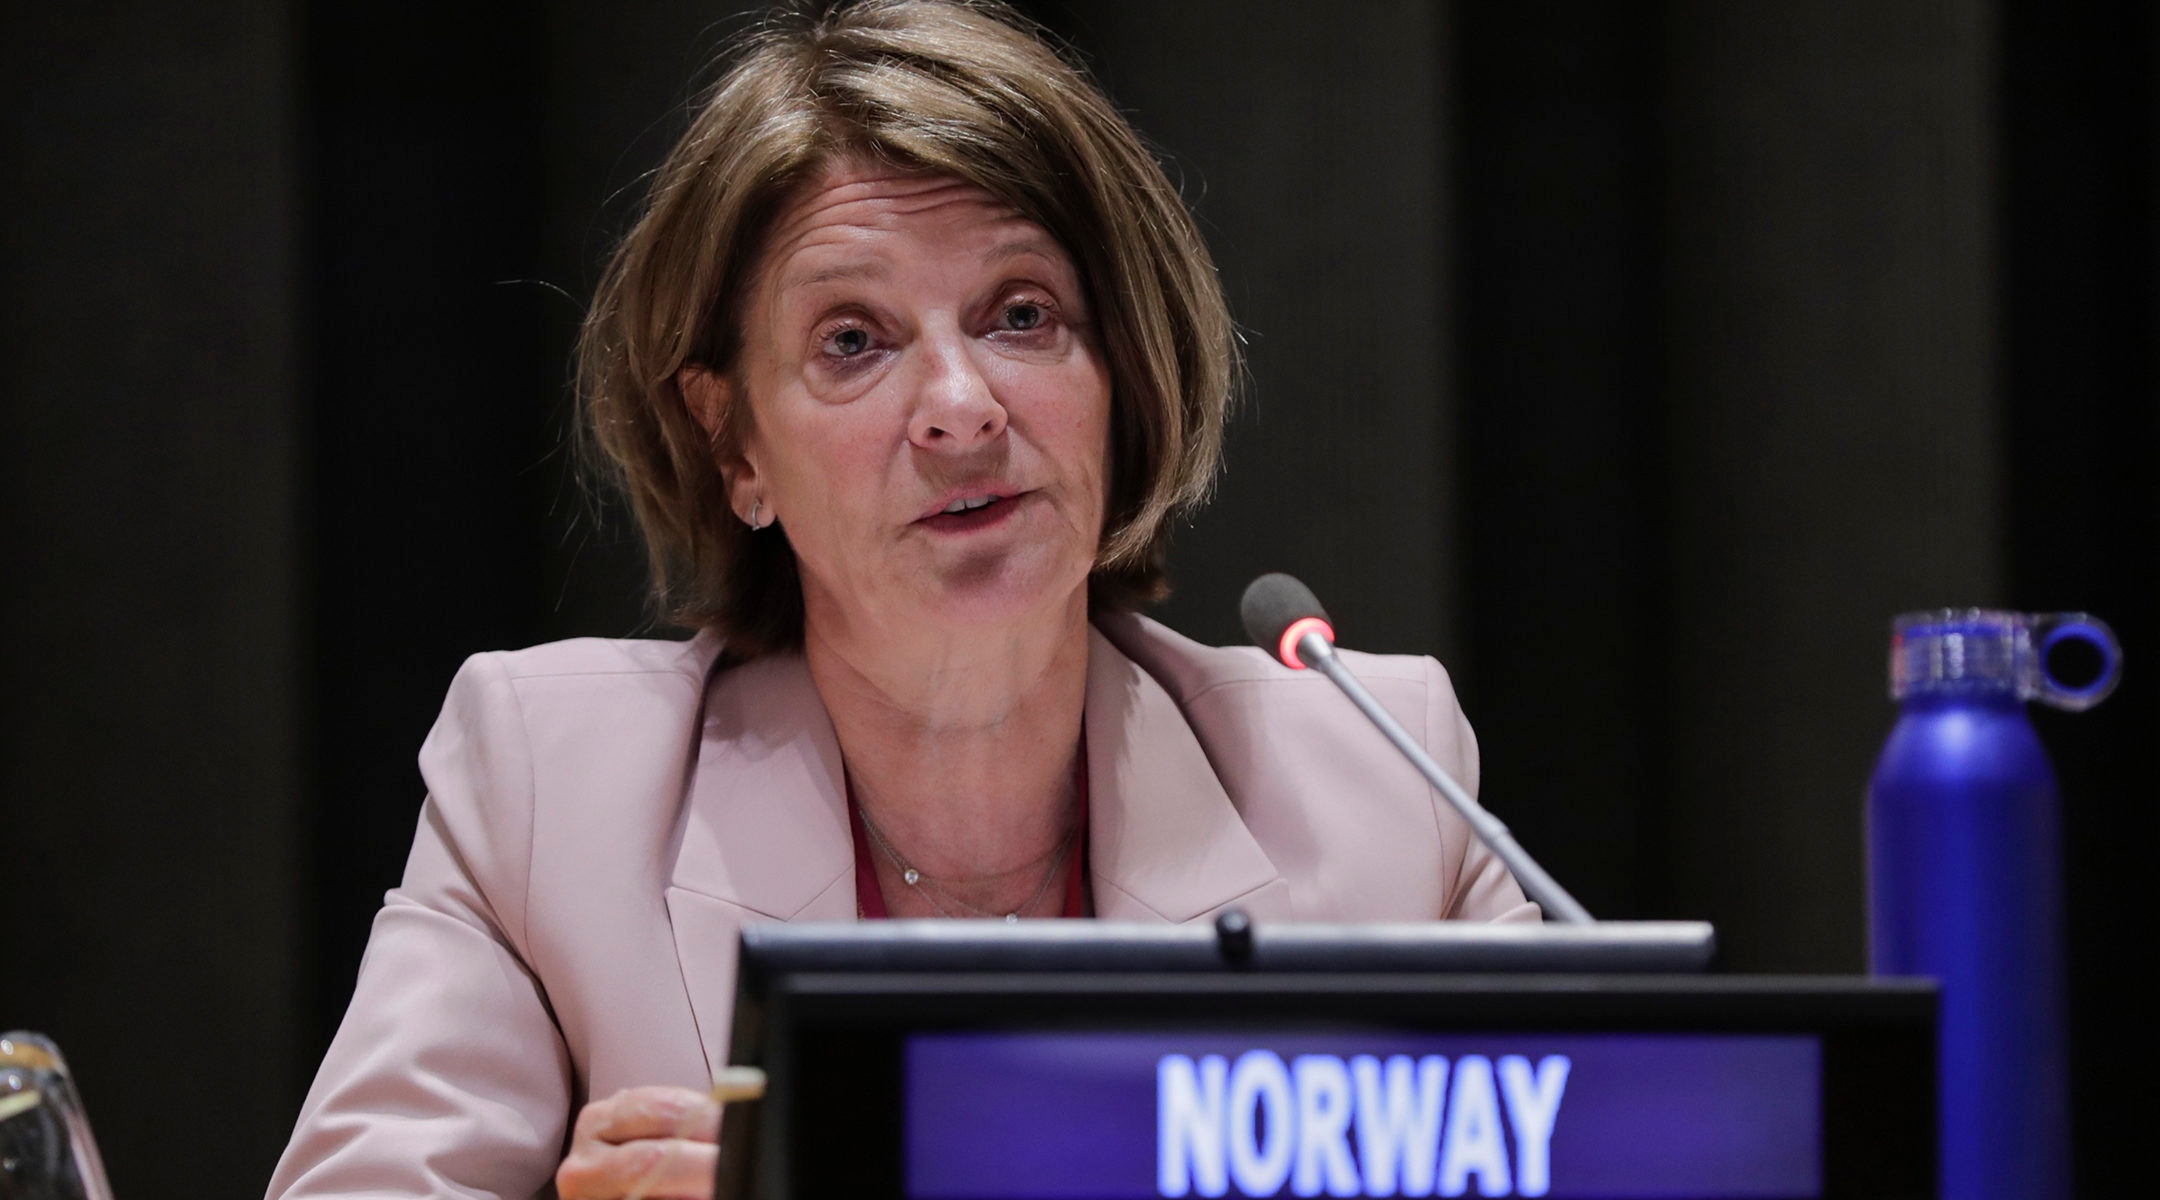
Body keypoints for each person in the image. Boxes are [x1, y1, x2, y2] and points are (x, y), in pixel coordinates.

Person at [266, 2, 1535, 1197]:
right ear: (735, 446)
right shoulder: (557, 785)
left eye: (1022, 314)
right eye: (853, 342)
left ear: (1122, 376)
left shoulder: (1376, 783)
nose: (961, 403)